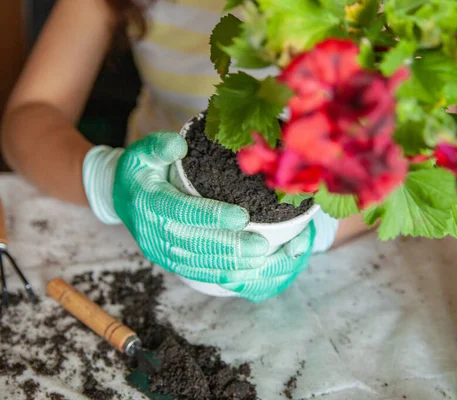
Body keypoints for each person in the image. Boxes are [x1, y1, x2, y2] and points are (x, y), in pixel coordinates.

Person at [0, 0, 372, 302]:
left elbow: (421, 158)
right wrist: (108, 181)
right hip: (142, 222)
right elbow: (29, 115)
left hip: (328, 270)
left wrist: (326, 224)